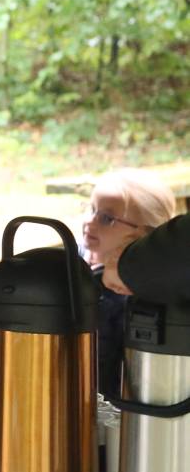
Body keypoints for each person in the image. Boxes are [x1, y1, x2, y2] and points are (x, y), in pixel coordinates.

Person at [83, 169, 176, 400]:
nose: (89, 221)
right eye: (91, 209)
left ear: (145, 234)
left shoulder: (134, 295)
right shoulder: (77, 264)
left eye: (106, 218)